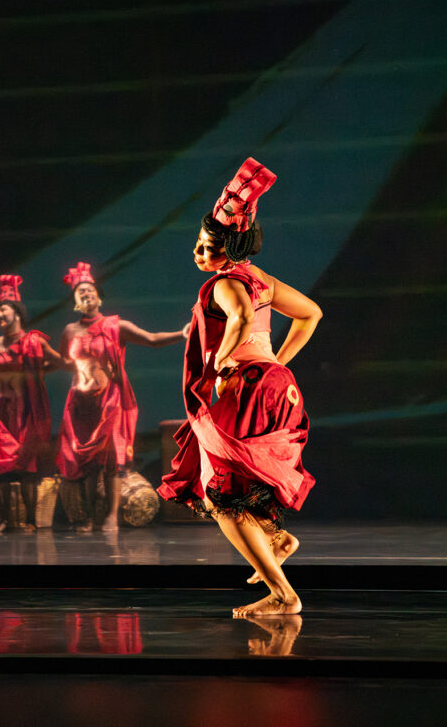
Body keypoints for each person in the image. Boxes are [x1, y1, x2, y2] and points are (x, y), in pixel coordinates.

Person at [157, 158, 322, 617]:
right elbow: (311, 314)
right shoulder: (261, 279)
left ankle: (284, 595)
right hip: (275, 385)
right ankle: (275, 536)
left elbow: (242, 317)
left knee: (222, 496)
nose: (198, 253)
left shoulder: (224, 284)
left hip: (247, 387)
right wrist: (276, 363)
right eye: (198, 244)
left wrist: (226, 355)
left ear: (228, 250)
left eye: (207, 247)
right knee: (239, 479)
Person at [57, 262, 186, 532]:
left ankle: (112, 516)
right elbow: (62, 362)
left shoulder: (116, 326)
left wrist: (180, 334)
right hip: (81, 404)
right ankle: (92, 514)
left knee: (112, 461)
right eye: (80, 291)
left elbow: (151, 339)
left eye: (90, 290)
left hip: (111, 402)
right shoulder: (70, 332)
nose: (86, 294)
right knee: (88, 465)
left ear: (98, 296)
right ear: (75, 300)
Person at [0, 274, 65, 532]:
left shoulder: (35, 342)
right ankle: (7, 521)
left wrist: (40, 372)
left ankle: (30, 520)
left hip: (26, 412)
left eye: (3, 309)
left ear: (17, 313)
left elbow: (60, 362)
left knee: (26, 469)